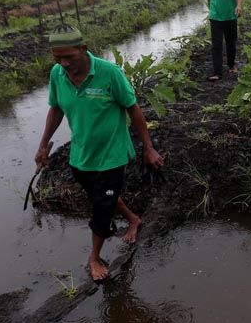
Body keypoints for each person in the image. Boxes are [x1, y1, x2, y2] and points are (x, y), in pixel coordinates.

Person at [34, 24, 164, 281]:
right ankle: (134, 219)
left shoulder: (109, 73)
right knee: (101, 195)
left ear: (83, 49)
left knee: (102, 206)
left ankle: (94, 257)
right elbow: (56, 109)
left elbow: (133, 109)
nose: (64, 63)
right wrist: (42, 144)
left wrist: (148, 148)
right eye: (57, 58)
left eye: (69, 57)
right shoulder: (57, 75)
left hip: (111, 154)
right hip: (81, 154)